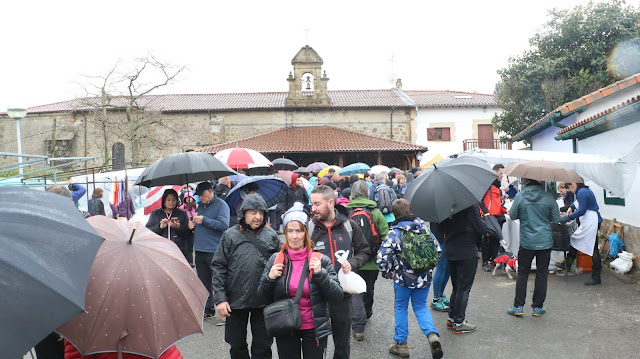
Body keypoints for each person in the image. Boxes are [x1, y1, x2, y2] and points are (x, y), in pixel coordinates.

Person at [258, 202, 343, 359]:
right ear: (285, 233)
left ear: (306, 233)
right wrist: (269, 278)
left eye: (299, 231)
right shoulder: (276, 260)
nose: (294, 236)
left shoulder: (320, 260)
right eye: (290, 231)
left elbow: (337, 296)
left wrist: (321, 274)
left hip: (314, 327)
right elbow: (261, 297)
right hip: (286, 326)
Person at [212, 193, 280, 359]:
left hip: (264, 298)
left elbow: (280, 266)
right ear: (243, 213)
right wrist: (220, 298)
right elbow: (219, 267)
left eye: (261, 213)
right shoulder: (230, 235)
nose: (257, 217)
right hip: (235, 299)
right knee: (236, 345)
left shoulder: (271, 235)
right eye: (253, 212)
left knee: (263, 347)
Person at [309, 185, 371, 359]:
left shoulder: (349, 225)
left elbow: (364, 251)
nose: (313, 209)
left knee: (342, 347)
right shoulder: (310, 228)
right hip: (317, 295)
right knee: (317, 346)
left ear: (330, 202)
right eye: (312, 204)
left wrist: (352, 263)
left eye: (317, 204)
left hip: (342, 295)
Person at [378, 199, 442, 359]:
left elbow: (381, 258)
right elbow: (438, 251)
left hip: (403, 279)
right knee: (421, 307)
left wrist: (389, 272)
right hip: (424, 278)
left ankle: (401, 344)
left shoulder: (395, 233)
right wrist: (427, 268)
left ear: (394, 214)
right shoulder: (424, 229)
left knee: (401, 308)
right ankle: (432, 334)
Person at [507, 179, 560, 316]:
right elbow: (556, 219)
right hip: (545, 241)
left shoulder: (520, 196)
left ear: (527, 183)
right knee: (542, 273)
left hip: (527, 242)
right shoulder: (549, 197)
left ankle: (518, 307)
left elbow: (512, 215)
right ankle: (537, 307)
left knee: (523, 273)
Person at [345, 180, 389, 341]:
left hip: (351, 260)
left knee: (355, 292)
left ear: (352, 193)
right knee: (368, 289)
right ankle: (367, 312)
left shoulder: (346, 212)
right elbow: (385, 236)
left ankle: (358, 328)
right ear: (367, 193)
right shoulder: (375, 212)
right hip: (371, 260)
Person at [440, 204, 486, 333]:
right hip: (466, 250)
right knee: (464, 288)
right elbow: (482, 229)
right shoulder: (469, 207)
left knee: (456, 286)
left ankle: (452, 318)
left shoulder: (445, 207)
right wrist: (484, 220)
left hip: (450, 249)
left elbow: (440, 229)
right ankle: (459, 322)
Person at [192, 181, 230, 321]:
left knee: (219, 281)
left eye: (202, 195)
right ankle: (208, 309)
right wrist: (194, 224)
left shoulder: (221, 205)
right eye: (199, 196)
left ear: (210, 191)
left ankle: (225, 311)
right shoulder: (201, 206)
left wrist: (205, 220)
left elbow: (224, 225)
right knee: (204, 282)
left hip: (214, 250)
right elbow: (201, 223)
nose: (200, 198)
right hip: (200, 249)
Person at [557, 181, 603, 285]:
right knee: (575, 239)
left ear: (573, 184)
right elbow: (578, 202)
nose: (569, 190)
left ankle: (596, 277)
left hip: (591, 221)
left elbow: (582, 210)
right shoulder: (583, 191)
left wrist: (567, 218)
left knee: (593, 249)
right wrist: (571, 207)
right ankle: (568, 264)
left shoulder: (582, 192)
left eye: (569, 188)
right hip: (589, 220)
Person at [146, 189, 190, 258]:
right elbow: (147, 231)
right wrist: (159, 227)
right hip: (160, 251)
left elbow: (188, 233)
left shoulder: (182, 213)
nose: (171, 202)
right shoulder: (156, 213)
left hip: (179, 251)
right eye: (168, 200)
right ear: (164, 201)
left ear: (177, 201)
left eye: (173, 200)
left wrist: (178, 227)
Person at [480, 167, 509, 272]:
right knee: (487, 240)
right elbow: (480, 199)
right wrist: (485, 212)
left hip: (496, 215)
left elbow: (497, 203)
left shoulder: (497, 187)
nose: (502, 176)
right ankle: (485, 262)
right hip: (489, 216)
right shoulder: (488, 185)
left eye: (503, 174)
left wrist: (504, 210)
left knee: (495, 239)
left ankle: (493, 260)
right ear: (495, 173)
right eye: (500, 173)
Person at [429, 221, 451, 312]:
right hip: (439, 239)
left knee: (448, 268)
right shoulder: (435, 210)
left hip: (448, 239)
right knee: (440, 268)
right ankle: (436, 298)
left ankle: (440, 294)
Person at [179, 191, 197, 266]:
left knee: (192, 245)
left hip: (195, 227)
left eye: (190, 198)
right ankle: (189, 260)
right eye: (187, 198)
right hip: (186, 228)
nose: (189, 199)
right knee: (188, 245)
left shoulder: (195, 207)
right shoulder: (181, 208)